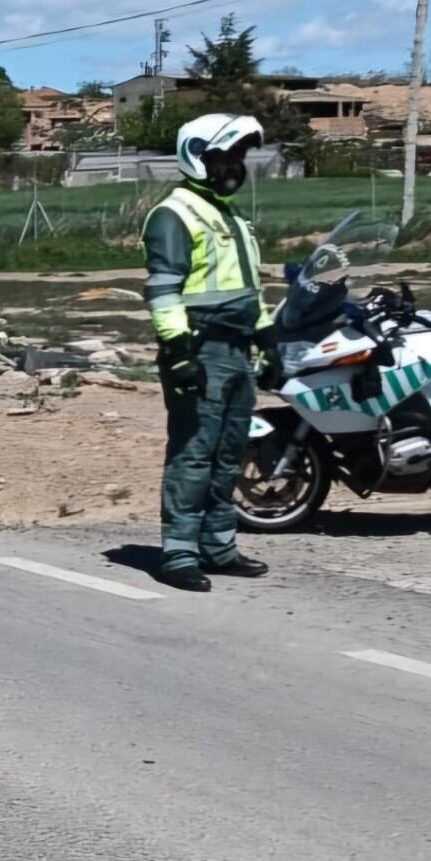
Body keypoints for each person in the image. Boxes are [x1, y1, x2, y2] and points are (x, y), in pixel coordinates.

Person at [143, 113, 275, 592]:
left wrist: (266, 335)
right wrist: (177, 349)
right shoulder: (174, 213)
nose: (235, 166)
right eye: (225, 156)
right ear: (197, 157)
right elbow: (163, 289)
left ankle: (218, 546)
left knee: (228, 454)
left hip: (237, 350)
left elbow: (247, 286)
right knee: (194, 453)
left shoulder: (230, 213)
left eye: (239, 156)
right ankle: (178, 552)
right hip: (199, 347)